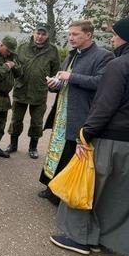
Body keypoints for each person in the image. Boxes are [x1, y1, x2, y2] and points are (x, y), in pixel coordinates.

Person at [50, 15, 129, 256]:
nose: (112, 39)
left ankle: (79, 238)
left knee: (88, 186)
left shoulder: (119, 64)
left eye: (115, 35)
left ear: (126, 37)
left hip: (109, 138)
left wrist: (85, 134)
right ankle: (106, 237)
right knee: (116, 193)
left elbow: (104, 105)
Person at [39, 20, 113, 206]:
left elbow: (101, 82)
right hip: (61, 114)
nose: (70, 38)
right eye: (69, 34)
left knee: (71, 154)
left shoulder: (103, 56)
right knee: (57, 152)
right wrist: (54, 84)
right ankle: (51, 188)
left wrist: (71, 77)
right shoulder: (72, 55)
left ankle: (64, 194)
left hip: (80, 113)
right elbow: (63, 80)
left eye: (75, 34)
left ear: (88, 35)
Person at [6, 24, 61, 159]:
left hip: (39, 92)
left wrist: (53, 84)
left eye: (43, 34)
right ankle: (13, 144)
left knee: (37, 122)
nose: (40, 37)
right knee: (16, 120)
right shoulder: (22, 47)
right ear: (33, 33)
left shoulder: (53, 50)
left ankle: (33, 147)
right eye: (38, 33)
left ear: (47, 35)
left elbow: (55, 72)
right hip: (21, 90)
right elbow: (14, 67)